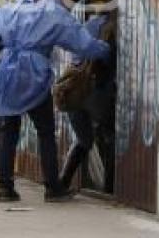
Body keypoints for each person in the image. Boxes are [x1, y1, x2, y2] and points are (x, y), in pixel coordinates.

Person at [0, 0, 110, 203]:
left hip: (7, 71)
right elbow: (84, 45)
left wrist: (13, 43)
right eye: (70, 4)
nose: (68, 9)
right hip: (33, 74)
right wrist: (106, 50)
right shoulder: (58, 14)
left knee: (9, 131)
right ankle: (53, 187)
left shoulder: (15, 6)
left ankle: (5, 188)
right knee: (45, 131)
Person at [60, 10, 118, 192]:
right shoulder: (113, 28)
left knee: (83, 140)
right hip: (95, 92)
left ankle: (63, 183)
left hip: (73, 90)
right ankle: (109, 187)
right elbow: (108, 59)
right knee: (110, 136)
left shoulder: (85, 26)